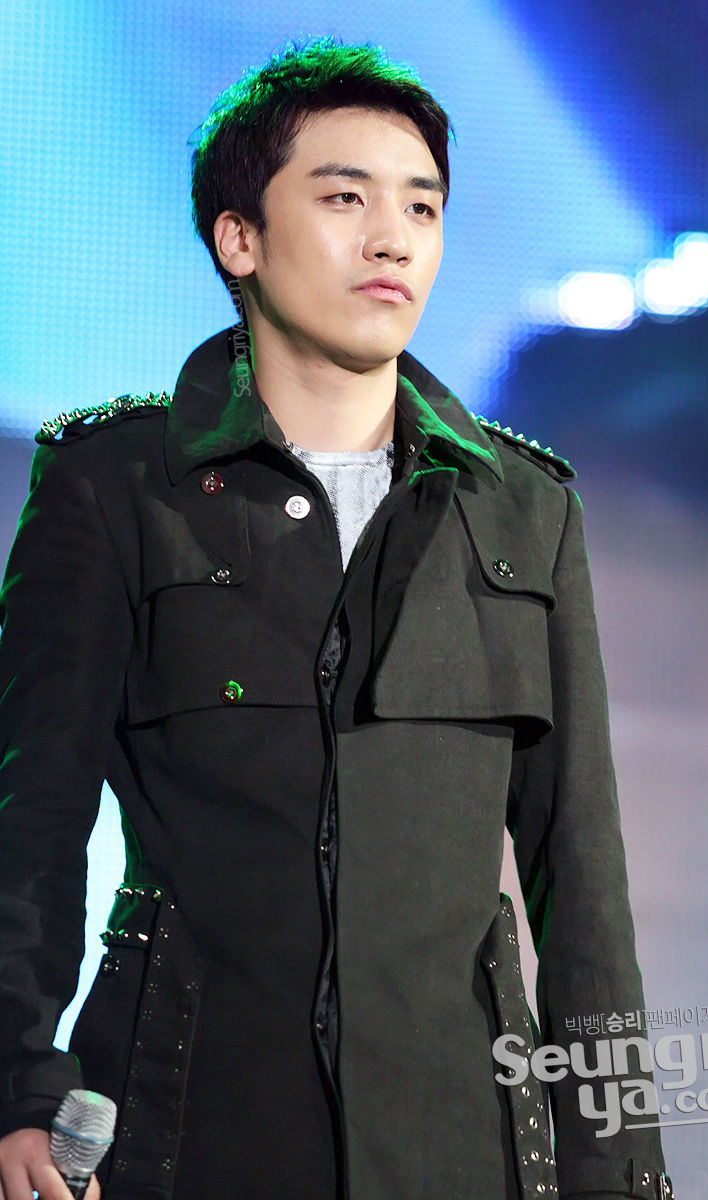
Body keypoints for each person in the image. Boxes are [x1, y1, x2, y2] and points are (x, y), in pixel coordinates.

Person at [0, 37, 672, 1200]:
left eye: (421, 205)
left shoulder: (524, 507)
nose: (392, 238)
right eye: (345, 198)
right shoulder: (114, 487)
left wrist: (616, 1171)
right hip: (184, 1134)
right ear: (239, 238)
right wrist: (16, 1088)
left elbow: (579, 878)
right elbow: (32, 827)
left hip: (459, 1145)